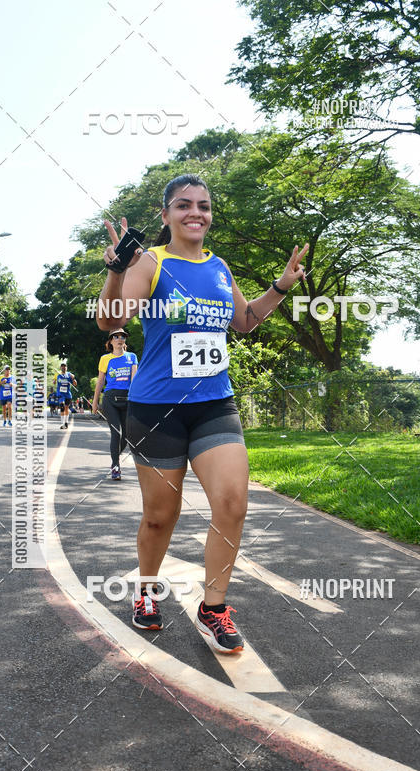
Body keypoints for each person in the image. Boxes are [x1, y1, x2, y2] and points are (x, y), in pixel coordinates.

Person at [97, 173, 308, 652]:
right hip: (156, 409)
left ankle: (214, 608)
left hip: (214, 402)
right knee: (160, 516)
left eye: (204, 206)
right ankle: (146, 589)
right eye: (184, 205)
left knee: (233, 503)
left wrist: (280, 285)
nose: (196, 213)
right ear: (166, 213)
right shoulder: (150, 262)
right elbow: (111, 320)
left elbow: (245, 321)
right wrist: (116, 270)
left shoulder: (219, 266)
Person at [91, 328, 138, 479]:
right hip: (110, 399)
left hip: (128, 399)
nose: (120, 339)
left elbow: (135, 380)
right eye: (116, 337)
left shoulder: (132, 357)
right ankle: (116, 466)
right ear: (110, 341)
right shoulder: (105, 359)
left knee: (126, 436)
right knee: (116, 433)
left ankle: (114, 459)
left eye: (123, 336)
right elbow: (100, 382)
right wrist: (95, 402)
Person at [54, 363, 77, 429]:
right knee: (62, 406)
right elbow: (55, 381)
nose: (63, 368)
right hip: (61, 393)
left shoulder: (69, 375)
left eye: (65, 367)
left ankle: (66, 423)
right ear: (60, 368)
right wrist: (54, 381)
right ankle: (62, 424)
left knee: (66, 408)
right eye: (62, 367)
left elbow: (75, 384)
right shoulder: (58, 374)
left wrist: (73, 379)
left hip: (67, 394)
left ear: (66, 368)